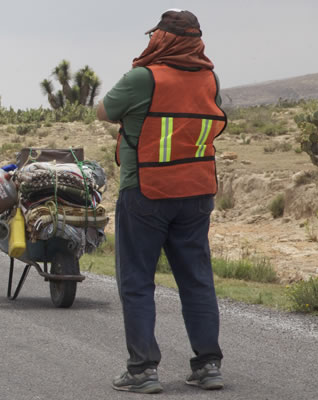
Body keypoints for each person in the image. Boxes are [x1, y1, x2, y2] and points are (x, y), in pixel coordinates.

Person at [97, 9, 226, 393]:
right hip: (197, 192)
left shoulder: (144, 77)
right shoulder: (209, 78)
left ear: (162, 39)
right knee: (197, 280)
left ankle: (143, 370)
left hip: (146, 193)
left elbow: (103, 110)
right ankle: (208, 366)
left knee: (137, 282)